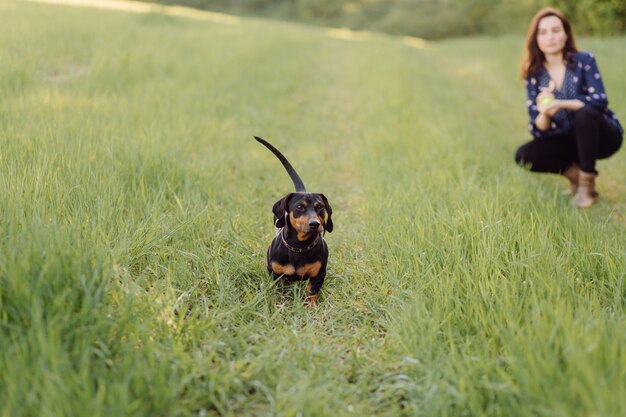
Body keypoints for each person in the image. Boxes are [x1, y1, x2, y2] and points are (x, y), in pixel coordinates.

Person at [515, 7, 623, 208]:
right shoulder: (534, 74)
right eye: (543, 32)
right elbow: (538, 130)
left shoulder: (584, 61)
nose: (550, 37)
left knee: (584, 114)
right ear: (535, 39)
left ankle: (586, 186)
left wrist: (560, 103)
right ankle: (575, 175)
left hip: (602, 136)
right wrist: (544, 112)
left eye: (556, 30)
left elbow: (599, 101)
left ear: (566, 34)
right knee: (523, 155)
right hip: (567, 140)